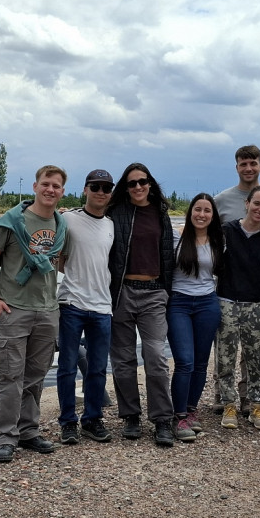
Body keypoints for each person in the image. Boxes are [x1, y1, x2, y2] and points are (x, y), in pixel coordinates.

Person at [0, 165, 68, 463]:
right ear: (35, 186)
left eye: (56, 186)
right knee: (9, 376)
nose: (50, 190)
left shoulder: (61, 226)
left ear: (62, 191)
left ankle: (29, 431)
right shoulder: (12, 222)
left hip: (46, 310)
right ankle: (6, 437)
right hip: (14, 309)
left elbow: (61, 264)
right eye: (46, 184)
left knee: (35, 376)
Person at [211, 144, 260, 418]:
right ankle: (227, 401)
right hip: (227, 297)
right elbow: (207, 245)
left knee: (255, 356)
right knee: (225, 355)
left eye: (253, 163)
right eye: (243, 163)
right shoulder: (223, 211)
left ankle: (253, 403)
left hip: (257, 300)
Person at [106, 162, 177, 447]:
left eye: (142, 181)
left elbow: (168, 256)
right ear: (126, 187)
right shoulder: (116, 213)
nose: (138, 187)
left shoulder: (160, 213)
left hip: (154, 293)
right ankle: (131, 416)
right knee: (123, 360)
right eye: (132, 183)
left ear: (150, 183)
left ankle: (162, 419)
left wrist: (168, 292)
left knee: (156, 357)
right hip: (122, 292)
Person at [54, 169, 116, 445]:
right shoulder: (67, 218)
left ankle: (92, 419)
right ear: (85, 189)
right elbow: (57, 255)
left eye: (106, 188)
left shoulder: (112, 225)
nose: (100, 192)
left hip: (102, 306)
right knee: (67, 366)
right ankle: (68, 422)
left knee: (98, 367)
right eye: (95, 186)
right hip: (72, 303)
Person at [167, 193, 224, 442]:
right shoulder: (176, 236)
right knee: (185, 361)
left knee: (201, 362)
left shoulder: (218, 241)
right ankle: (177, 415)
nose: (202, 215)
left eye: (207, 210)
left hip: (207, 303)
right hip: (178, 302)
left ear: (213, 215)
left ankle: (190, 410)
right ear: (190, 212)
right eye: (197, 209)